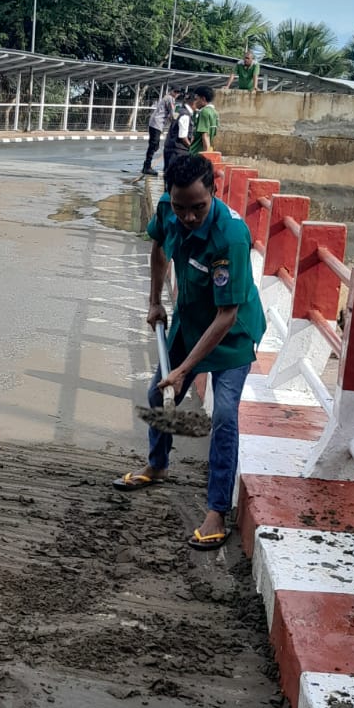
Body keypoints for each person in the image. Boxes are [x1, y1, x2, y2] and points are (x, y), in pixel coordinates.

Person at [113, 153, 266, 549]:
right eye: (181, 208)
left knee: (226, 417)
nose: (189, 217)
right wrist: (154, 301)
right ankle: (157, 464)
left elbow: (227, 314)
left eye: (198, 207)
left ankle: (217, 509)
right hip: (190, 316)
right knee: (157, 395)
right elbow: (159, 248)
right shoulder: (168, 208)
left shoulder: (230, 236)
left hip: (231, 333)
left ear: (213, 192)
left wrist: (185, 370)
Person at [161, 90, 195, 185]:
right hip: (178, 151)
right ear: (193, 102)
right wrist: (191, 148)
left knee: (168, 174)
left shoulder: (179, 110)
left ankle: (167, 196)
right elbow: (183, 136)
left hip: (170, 147)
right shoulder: (185, 115)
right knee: (175, 176)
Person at [141, 87, 176, 176]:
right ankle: (147, 166)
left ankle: (147, 165)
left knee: (154, 145)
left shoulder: (167, 97)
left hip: (156, 123)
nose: (176, 94)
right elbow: (172, 114)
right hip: (157, 123)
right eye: (175, 91)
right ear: (171, 91)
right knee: (153, 145)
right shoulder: (170, 98)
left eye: (178, 92)